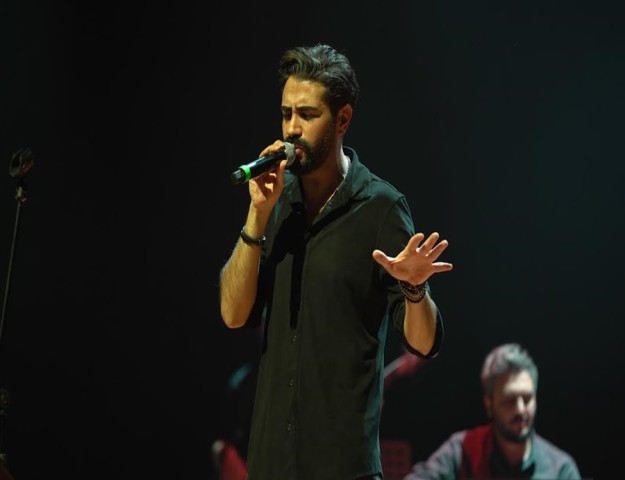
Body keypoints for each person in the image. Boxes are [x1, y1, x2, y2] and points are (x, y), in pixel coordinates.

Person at [218, 43, 453, 480]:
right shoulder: (276, 201)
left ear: (342, 119)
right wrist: (256, 215)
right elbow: (233, 314)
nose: (292, 128)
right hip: (270, 465)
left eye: (307, 115)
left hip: (344, 469)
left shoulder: (381, 208)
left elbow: (422, 344)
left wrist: (415, 288)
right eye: (286, 113)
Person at [403, 343, 582, 480]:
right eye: (509, 400)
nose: (520, 409)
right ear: (489, 405)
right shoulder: (462, 450)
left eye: (527, 398)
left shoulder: (561, 470)